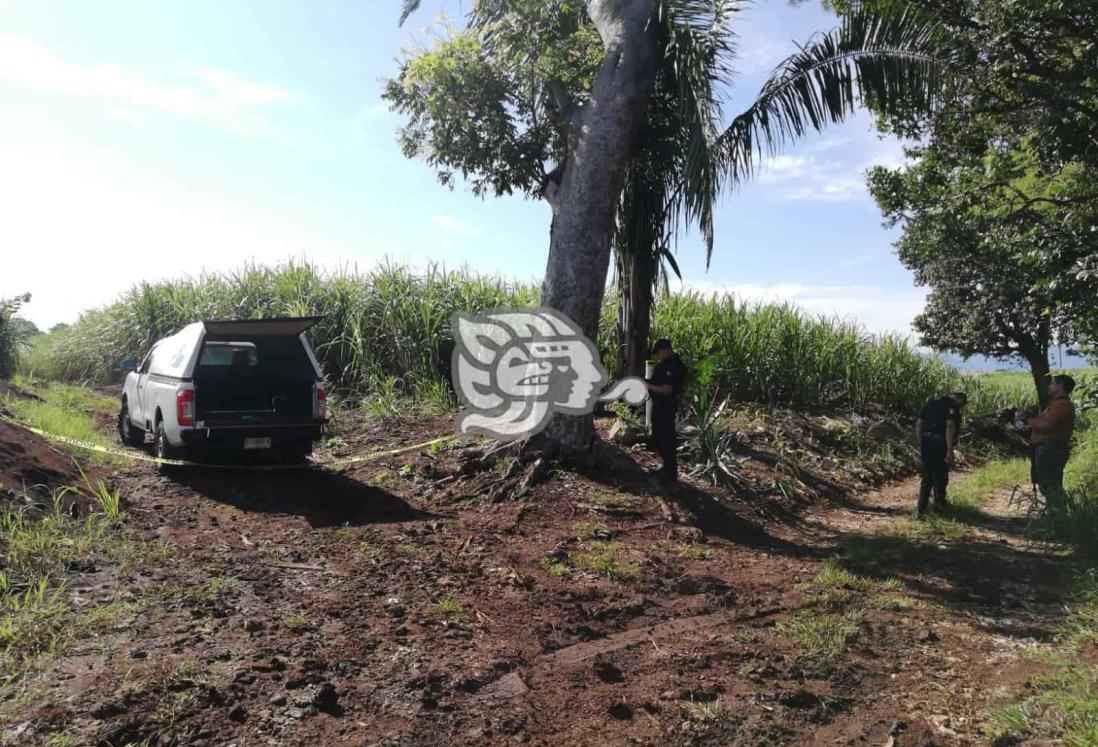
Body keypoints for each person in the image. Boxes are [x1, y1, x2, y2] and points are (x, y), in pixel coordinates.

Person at [1027, 375, 1076, 511]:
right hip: (1048, 449)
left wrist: (1028, 420)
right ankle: (1056, 515)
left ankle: (1058, 515)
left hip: (1050, 449)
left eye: (1052, 383)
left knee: (1049, 485)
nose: (1049, 386)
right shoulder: (1056, 404)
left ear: (1060, 386)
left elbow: (1047, 425)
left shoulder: (1062, 405)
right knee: (1048, 485)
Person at [914, 392, 968, 518]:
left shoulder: (931, 404)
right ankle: (939, 508)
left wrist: (920, 443)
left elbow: (918, 424)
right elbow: (950, 426)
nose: (961, 407)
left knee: (927, 476)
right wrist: (949, 449)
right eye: (962, 404)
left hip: (926, 442)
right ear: (960, 400)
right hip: (940, 445)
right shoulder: (952, 407)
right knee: (941, 476)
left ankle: (921, 510)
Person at [645, 338, 687, 485]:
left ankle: (670, 473)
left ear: (665, 349)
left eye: (659, 352)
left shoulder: (674, 365)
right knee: (659, 437)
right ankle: (666, 468)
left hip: (666, 407)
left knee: (666, 439)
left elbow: (667, 390)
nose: (658, 355)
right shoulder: (666, 364)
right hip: (659, 406)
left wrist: (648, 386)